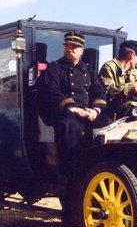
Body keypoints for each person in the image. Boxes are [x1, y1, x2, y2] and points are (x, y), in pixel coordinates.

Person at [39, 31, 110, 177]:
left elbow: (99, 91)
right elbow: (52, 92)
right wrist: (73, 108)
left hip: (87, 112)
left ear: (81, 50)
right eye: (67, 46)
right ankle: (70, 171)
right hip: (63, 112)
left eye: (73, 47)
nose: (69, 49)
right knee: (71, 126)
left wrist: (95, 110)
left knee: (106, 123)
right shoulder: (55, 68)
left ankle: (103, 166)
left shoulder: (88, 70)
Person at [98, 40, 137, 118]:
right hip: (108, 112)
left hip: (126, 112)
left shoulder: (133, 72)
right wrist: (132, 87)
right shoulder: (109, 67)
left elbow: (133, 98)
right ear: (132, 55)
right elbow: (109, 91)